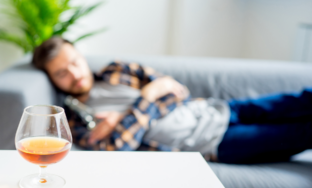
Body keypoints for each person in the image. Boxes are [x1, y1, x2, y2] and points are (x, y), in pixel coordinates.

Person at [32, 36, 312, 164]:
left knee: (301, 101)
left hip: (216, 108)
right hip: (213, 143)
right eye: (61, 73)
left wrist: (128, 116)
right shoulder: (75, 120)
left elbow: (176, 92)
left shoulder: (118, 70)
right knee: (302, 131)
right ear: (53, 80)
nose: (74, 74)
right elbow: (117, 149)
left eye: (74, 63)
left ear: (81, 56)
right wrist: (148, 96)